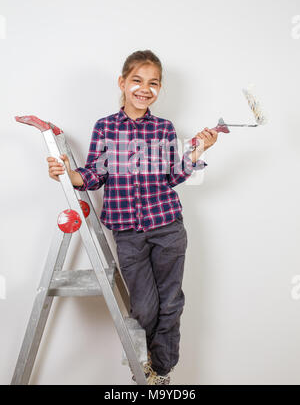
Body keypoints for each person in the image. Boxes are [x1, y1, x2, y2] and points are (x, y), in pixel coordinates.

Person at [47, 50, 218, 385]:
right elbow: (94, 176)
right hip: (128, 233)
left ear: (159, 89)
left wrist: (199, 151)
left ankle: (161, 372)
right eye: (137, 80)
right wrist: (66, 174)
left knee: (171, 303)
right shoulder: (105, 127)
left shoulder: (164, 128)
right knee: (144, 306)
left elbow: (172, 176)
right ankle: (146, 359)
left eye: (153, 83)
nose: (145, 88)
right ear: (123, 82)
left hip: (167, 227)